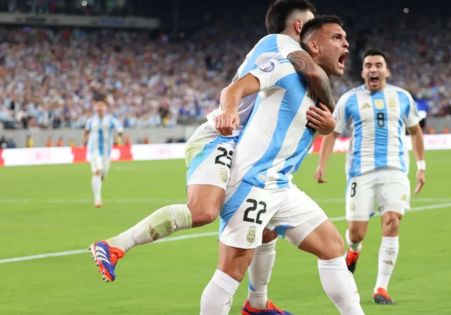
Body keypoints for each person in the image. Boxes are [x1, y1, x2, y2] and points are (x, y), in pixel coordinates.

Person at [89, 1, 336, 314]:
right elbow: (314, 71)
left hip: (241, 147)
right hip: (219, 136)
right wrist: (332, 112)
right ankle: (114, 245)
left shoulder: (274, 51)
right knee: (203, 210)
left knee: (267, 222)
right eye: (312, 27)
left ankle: (257, 303)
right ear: (299, 27)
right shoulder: (283, 44)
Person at [199, 16, 363, 315]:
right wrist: (228, 111)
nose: (347, 44)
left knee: (332, 247)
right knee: (231, 270)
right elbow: (233, 89)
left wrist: (329, 125)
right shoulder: (283, 67)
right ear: (314, 45)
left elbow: (317, 122)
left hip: (281, 186)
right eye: (337, 38)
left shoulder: (318, 89)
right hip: (252, 183)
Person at [314, 49, 427, 305]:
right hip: (360, 172)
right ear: (363, 71)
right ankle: (354, 251)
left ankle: (381, 288)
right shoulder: (349, 100)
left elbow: (415, 131)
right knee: (356, 233)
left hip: (395, 170)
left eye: (378, 65)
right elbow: (332, 133)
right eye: (368, 65)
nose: (373, 69)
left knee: (392, 222)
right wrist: (323, 165)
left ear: (387, 71)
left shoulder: (402, 97)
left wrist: (421, 165)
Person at [83, 93, 123, 208]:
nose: (100, 107)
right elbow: (86, 131)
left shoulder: (111, 120)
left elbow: (120, 129)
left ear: (105, 108)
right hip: (94, 150)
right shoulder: (91, 121)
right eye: (98, 105)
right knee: (97, 171)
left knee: (102, 175)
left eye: (102, 105)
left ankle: (98, 190)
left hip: (106, 152)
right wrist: (83, 143)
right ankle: (97, 200)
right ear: (95, 107)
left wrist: (118, 138)